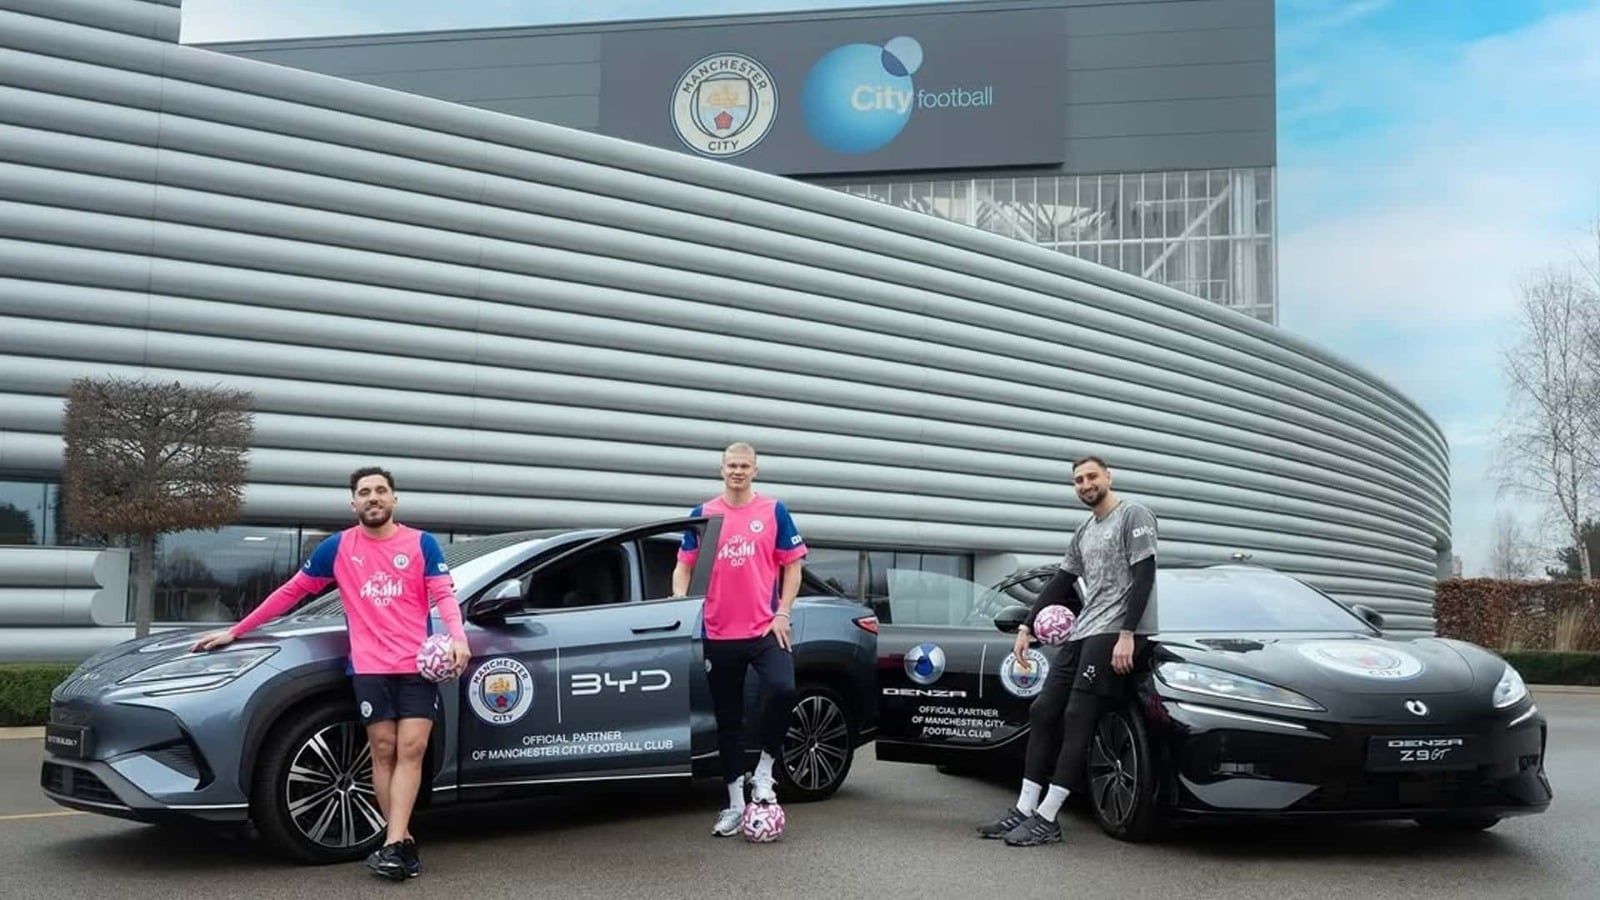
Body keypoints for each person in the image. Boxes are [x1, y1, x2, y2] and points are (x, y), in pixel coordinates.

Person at [193, 467, 471, 879]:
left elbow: (444, 595)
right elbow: (291, 592)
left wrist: (458, 638)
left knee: (411, 749)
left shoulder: (421, 543)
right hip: (369, 666)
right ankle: (402, 840)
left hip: (417, 666)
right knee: (383, 750)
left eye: (380, 491)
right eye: (364, 492)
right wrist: (236, 631)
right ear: (353, 503)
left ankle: (393, 843)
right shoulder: (338, 548)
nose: (373, 497)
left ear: (394, 499)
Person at [978, 455, 1158, 847]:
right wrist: (1027, 624)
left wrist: (1129, 632)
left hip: (1114, 632)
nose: (1085, 484)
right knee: (1043, 710)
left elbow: (1145, 574)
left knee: (1078, 715)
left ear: (1108, 476)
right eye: (1078, 480)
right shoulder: (1084, 530)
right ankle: (1024, 809)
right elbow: (1061, 581)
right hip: (1086, 629)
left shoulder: (1134, 515)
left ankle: (1048, 817)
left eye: (1092, 476)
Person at [670, 442, 808, 837]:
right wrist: (681, 605)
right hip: (718, 632)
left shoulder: (773, 511)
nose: (738, 471)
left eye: (745, 466)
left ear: (755, 470)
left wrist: (783, 612)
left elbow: (792, 568)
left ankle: (764, 775)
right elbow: (683, 567)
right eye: (732, 465)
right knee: (728, 720)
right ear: (721, 469)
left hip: (765, 629)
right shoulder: (704, 514)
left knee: (783, 689)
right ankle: (734, 804)